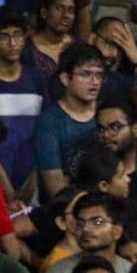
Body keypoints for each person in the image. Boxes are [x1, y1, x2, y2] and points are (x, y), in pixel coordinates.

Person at [0, 7, 49, 193]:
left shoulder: (37, 80)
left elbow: (44, 134)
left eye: (18, 35)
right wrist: (9, 193)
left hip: (33, 181)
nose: (13, 43)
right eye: (3, 37)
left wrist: (32, 185)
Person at [42, 193, 134, 273]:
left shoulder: (131, 272)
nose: (86, 229)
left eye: (97, 222)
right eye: (80, 223)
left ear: (116, 231)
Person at [34, 43, 102, 197]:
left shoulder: (108, 113)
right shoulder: (49, 122)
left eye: (99, 75)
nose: (95, 81)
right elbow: (55, 187)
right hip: (67, 210)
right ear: (65, 78)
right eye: (86, 74)